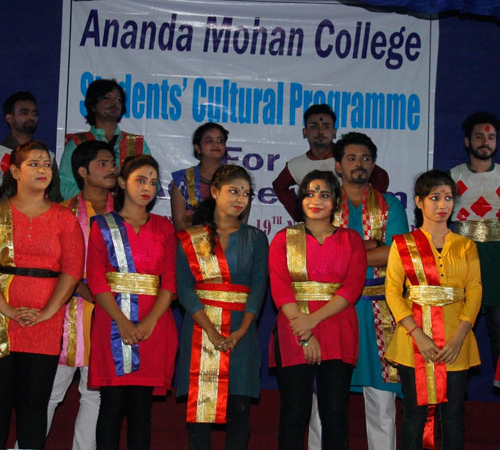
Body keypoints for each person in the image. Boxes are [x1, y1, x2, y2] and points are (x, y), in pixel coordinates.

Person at [308, 132, 408, 450]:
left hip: (379, 312)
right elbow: (314, 253)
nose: (359, 164)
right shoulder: (323, 202)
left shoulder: (390, 205)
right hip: (331, 313)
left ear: (374, 164)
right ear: (338, 165)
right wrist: (368, 247)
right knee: (322, 403)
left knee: (382, 403)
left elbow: (396, 254)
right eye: (351, 158)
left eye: (365, 158)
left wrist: (342, 252)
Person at [269, 170, 366, 450]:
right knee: (294, 412)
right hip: (294, 330)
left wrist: (312, 321)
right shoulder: (284, 239)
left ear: (335, 202)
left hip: (338, 330)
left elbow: (351, 289)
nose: (316, 201)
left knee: (334, 413)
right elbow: (281, 289)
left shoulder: (351, 240)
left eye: (324, 195)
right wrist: (305, 334)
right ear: (300, 200)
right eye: (310, 194)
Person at [86, 154, 178, 450]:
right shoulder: (102, 225)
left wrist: (149, 322)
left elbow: (170, 282)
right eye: (140, 180)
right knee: (111, 405)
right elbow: (96, 280)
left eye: (152, 182)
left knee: (141, 408)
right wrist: (122, 322)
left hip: (155, 324)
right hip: (112, 322)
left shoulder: (164, 227)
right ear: (123, 182)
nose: (147, 187)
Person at [385, 169, 482, 449]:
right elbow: (393, 292)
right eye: (434, 197)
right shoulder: (403, 244)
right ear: (419, 202)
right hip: (413, 343)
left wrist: (459, 337)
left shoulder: (465, 246)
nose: (442, 205)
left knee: (453, 417)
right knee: (414, 418)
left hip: (456, 343)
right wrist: (417, 334)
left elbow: (474, 292)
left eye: (448, 198)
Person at [176, 165, 268, 450]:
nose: (241, 199)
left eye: (246, 194)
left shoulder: (256, 238)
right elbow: (184, 288)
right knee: (200, 415)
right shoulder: (191, 238)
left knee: (239, 409)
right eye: (233, 191)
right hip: (200, 330)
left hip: (242, 331)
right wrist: (211, 331)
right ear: (215, 192)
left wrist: (242, 330)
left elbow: (258, 289)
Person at [0, 141, 84, 449]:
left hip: (45, 322)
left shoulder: (64, 218)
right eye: (33, 164)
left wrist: (47, 312)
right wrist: (7, 310)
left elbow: (72, 272)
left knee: (34, 405)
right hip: (2, 318)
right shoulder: (0, 212)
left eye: (47, 164)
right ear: (15, 171)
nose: (42, 170)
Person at [47, 141, 116, 450]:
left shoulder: (126, 213)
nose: (111, 168)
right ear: (83, 172)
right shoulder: (62, 212)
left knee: (95, 392)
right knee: (51, 391)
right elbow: (52, 265)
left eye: (112, 162)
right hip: (66, 310)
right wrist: (84, 289)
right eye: (103, 163)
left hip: (111, 313)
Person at [272, 104, 389, 221]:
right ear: (305, 132)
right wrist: (300, 215)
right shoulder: (296, 165)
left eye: (326, 126)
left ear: (334, 132)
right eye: (314, 126)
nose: (320, 131)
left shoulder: (348, 158)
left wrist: (366, 210)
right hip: (316, 226)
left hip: (350, 224)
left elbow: (381, 177)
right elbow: (279, 186)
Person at [449, 111, 500, 373]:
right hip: (463, 259)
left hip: (497, 262)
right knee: (458, 326)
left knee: (498, 328)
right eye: (479, 136)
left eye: (491, 137)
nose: (485, 142)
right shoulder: (452, 177)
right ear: (468, 141)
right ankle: (454, 387)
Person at [59, 79, 151, 200]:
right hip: (87, 210)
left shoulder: (136, 143)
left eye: (118, 99)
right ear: (93, 105)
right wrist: (97, 189)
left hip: (127, 211)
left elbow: (152, 185)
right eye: (107, 97)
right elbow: (64, 189)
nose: (114, 102)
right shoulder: (78, 143)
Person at [170, 123, 249, 231]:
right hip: (191, 240)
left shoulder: (237, 178)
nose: (216, 145)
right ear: (198, 148)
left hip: (230, 240)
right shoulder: (183, 180)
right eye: (209, 141)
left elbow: (242, 222)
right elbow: (180, 223)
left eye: (220, 141)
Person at [0, 91, 62, 201]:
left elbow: (55, 198)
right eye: (24, 113)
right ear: (9, 118)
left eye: (35, 114)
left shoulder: (48, 156)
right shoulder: (1, 153)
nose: (31, 117)